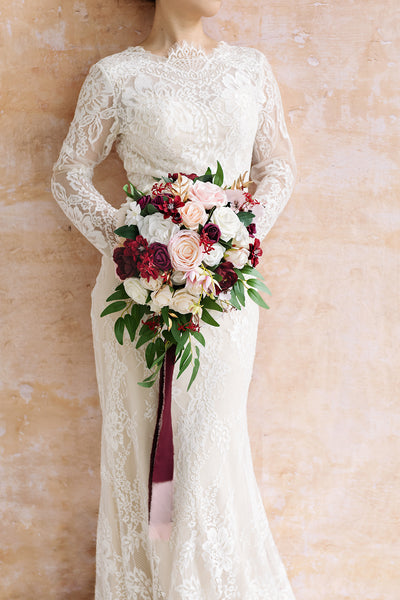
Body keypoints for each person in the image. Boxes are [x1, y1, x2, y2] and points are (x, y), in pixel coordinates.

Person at [50, 0, 297, 597]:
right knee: (140, 448)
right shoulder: (116, 75)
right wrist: (135, 246)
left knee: (206, 448)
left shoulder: (251, 68)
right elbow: (68, 175)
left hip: (223, 295)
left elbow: (280, 166)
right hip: (135, 296)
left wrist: (228, 246)